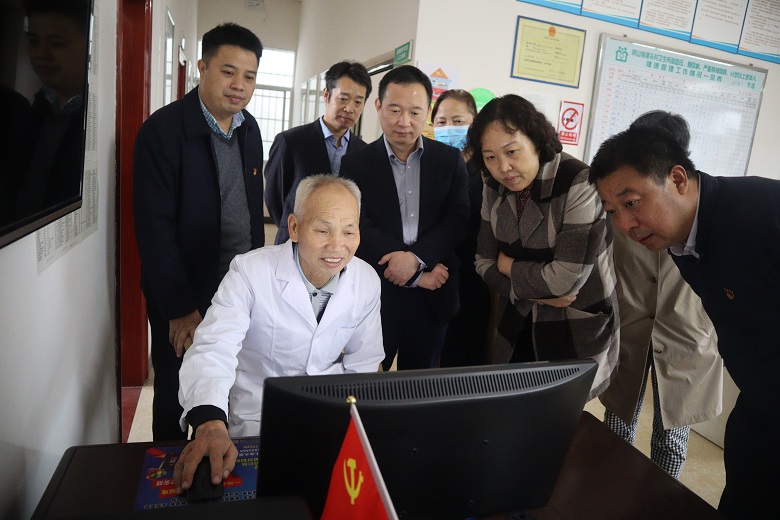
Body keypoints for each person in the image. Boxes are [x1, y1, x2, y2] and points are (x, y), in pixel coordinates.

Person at [590, 119, 780, 518]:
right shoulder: (682, 237)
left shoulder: (761, 213)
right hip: (759, 407)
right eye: (612, 211)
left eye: (631, 203)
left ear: (677, 178)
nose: (624, 225)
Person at [173, 174, 385, 494]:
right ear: (295, 227)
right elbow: (214, 348)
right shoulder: (250, 272)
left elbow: (364, 363)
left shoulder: (366, 280)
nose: (336, 245)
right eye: (322, 230)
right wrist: (210, 422)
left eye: (349, 231)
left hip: (330, 416)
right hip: (257, 418)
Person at [132, 23, 265, 441]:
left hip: (238, 288)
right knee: (177, 392)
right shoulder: (163, 132)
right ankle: (170, 470)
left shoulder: (249, 129)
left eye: (249, 76)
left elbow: (251, 213)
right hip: (185, 294)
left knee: (229, 384)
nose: (239, 85)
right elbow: (154, 230)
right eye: (228, 72)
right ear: (203, 68)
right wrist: (180, 307)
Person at [466, 94, 617, 399]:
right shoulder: (491, 184)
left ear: (536, 141)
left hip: (572, 323)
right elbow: (482, 262)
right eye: (490, 157)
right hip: (518, 321)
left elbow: (566, 280)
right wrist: (539, 294)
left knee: (558, 412)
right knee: (511, 403)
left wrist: (508, 266)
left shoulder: (578, 180)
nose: (503, 167)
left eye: (512, 152)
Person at [599, 112, 722, 478]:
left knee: (672, 438)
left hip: (687, 332)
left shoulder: (706, 204)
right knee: (616, 425)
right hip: (629, 327)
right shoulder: (617, 200)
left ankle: (661, 501)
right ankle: (607, 492)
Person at [340, 65, 469, 371]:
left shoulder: (449, 160)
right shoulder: (355, 163)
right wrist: (409, 269)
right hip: (377, 291)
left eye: (414, 112)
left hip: (433, 292)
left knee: (419, 384)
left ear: (427, 112)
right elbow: (357, 224)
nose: (404, 122)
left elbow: (457, 219)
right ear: (378, 107)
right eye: (395, 110)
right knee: (366, 378)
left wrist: (415, 259)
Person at [264, 61, 371, 244]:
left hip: (340, 247)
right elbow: (274, 198)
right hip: (295, 242)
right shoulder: (291, 141)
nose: (349, 108)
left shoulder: (364, 151)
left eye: (358, 102)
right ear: (327, 95)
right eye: (343, 99)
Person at [431, 89, 491, 367]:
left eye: (458, 121)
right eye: (441, 122)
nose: (449, 129)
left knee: (465, 359)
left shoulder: (488, 170)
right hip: (433, 277)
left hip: (474, 280)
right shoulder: (430, 166)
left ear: (474, 123)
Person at [14, 0, 89, 220]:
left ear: (88, 45)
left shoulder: (97, 119)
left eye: (56, 43)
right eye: (33, 41)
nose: (41, 54)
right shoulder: (36, 108)